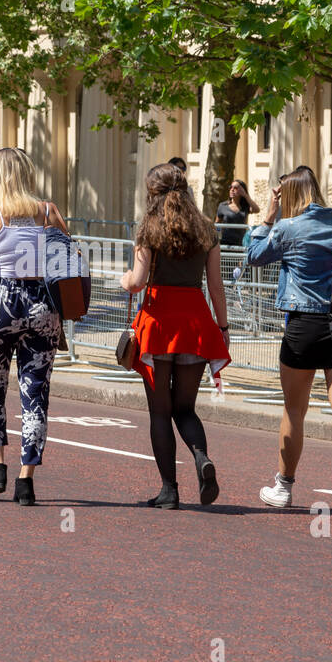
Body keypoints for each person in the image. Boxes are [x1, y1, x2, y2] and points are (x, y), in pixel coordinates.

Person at [246, 167, 332, 517]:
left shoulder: (287, 228)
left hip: (303, 327)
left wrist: (267, 218)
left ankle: (283, 487)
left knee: (294, 410)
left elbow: (253, 255)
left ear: (287, 197)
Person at [119, 163, 231, 510]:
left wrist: (123, 279)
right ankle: (201, 458)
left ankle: (169, 490)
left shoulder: (149, 229)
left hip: (158, 323)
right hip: (195, 323)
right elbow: (216, 287)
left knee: (159, 412)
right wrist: (223, 329)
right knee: (185, 408)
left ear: (152, 194)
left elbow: (136, 281)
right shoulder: (207, 230)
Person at [0, 148, 69, 507]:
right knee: (35, 392)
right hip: (42, 304)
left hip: (1, 304)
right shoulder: (47, 211)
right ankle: (26, 480)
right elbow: (65, 256)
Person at [214, 179, 260, 247]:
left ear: (242, 191)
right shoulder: (223, 206)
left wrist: (245, 195)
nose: (232, 190)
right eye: (231, 187)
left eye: (235, 188)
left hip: (241, 244)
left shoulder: (245, 206)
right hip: (225, 244)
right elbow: (217, 224)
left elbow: (257, 210)